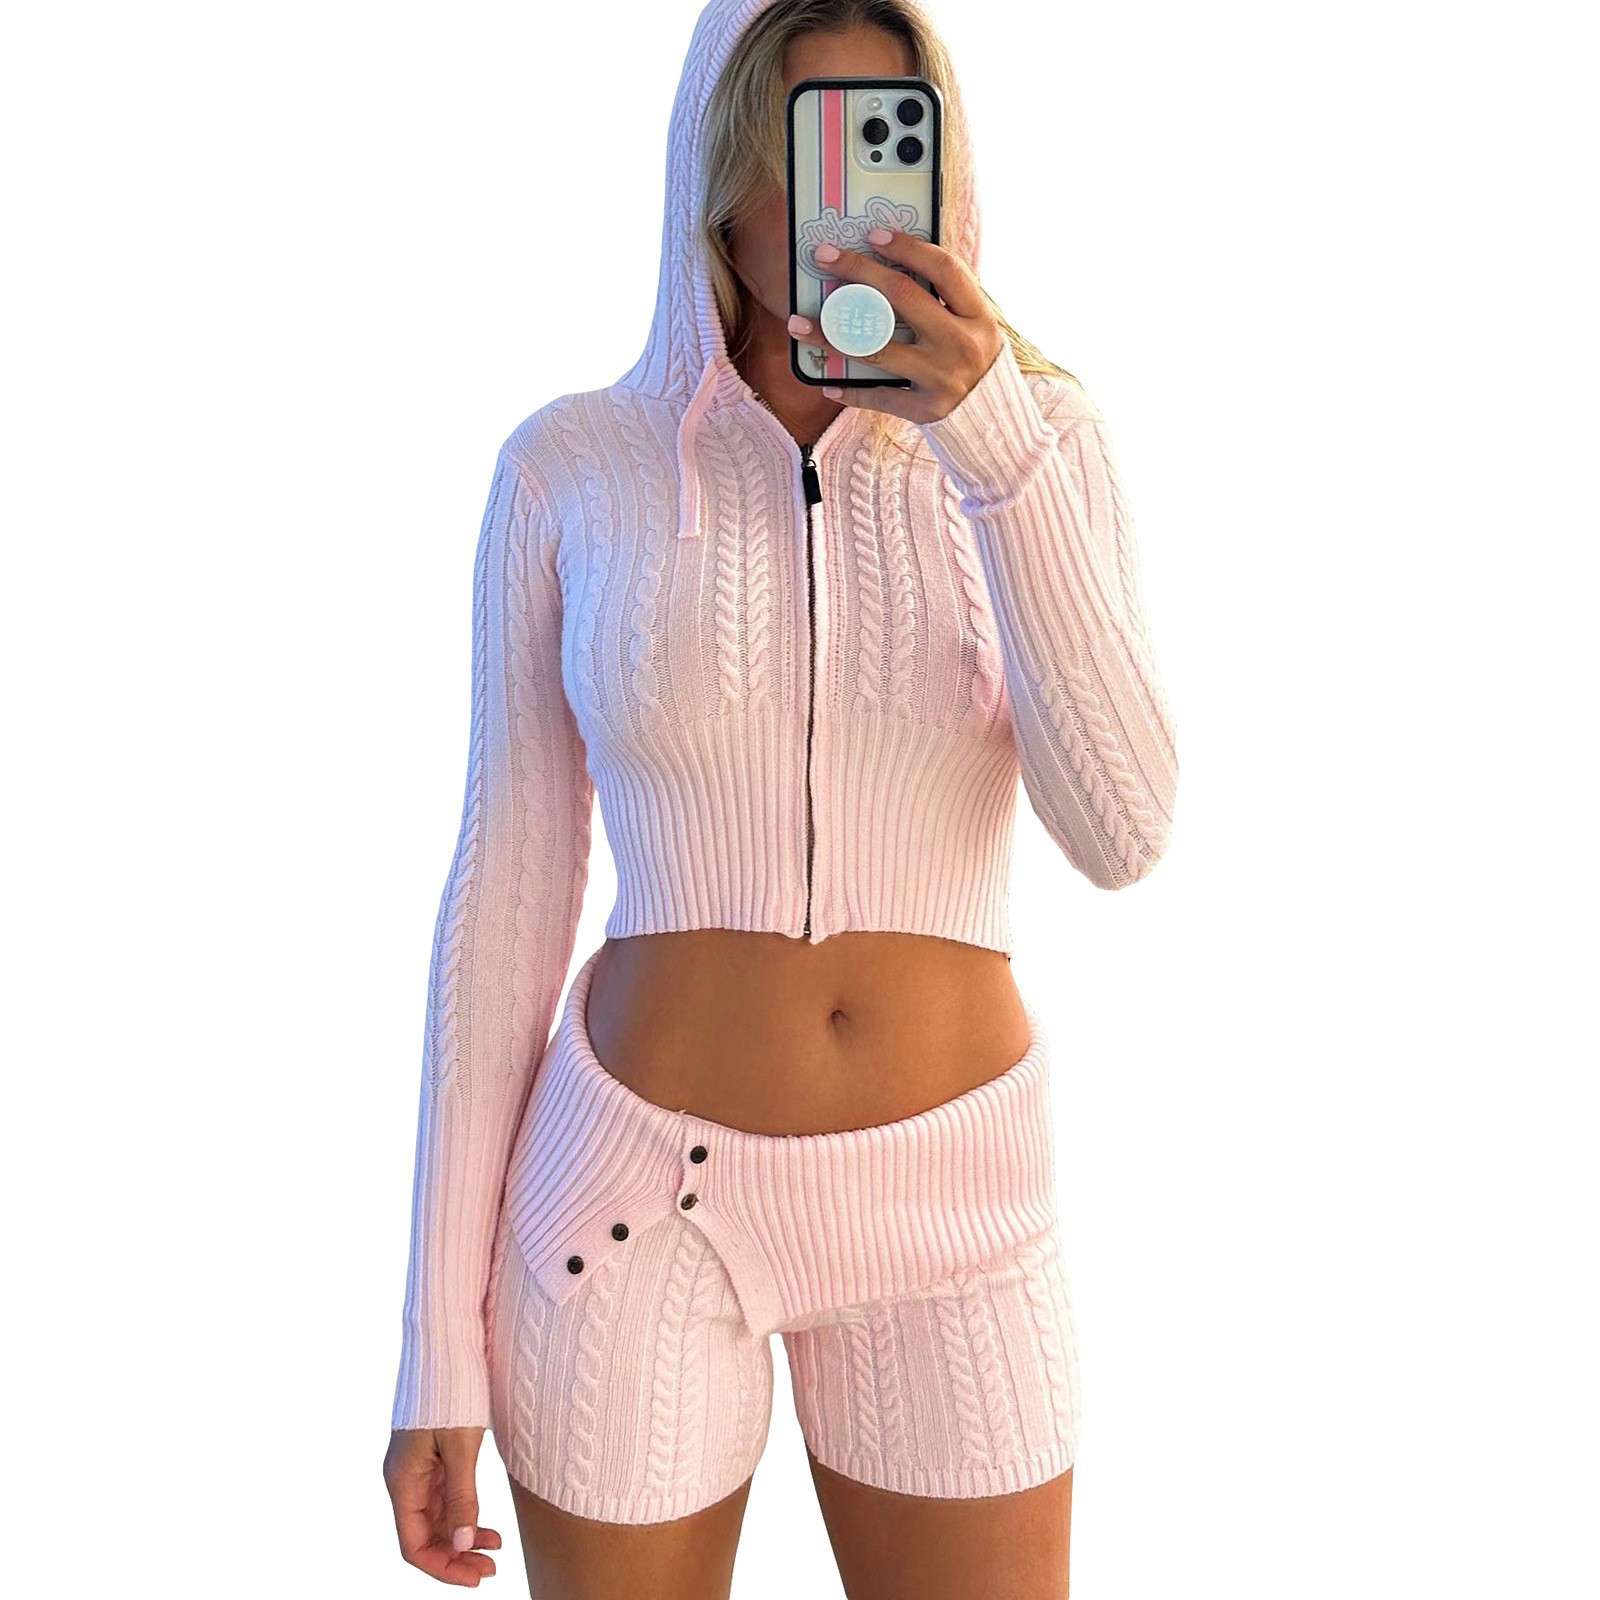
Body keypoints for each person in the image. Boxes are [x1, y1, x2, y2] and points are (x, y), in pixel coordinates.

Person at [381, 0, 1179, 1593]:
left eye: (882, 149)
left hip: (961, 1217)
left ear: (940, 171)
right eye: (797, 149)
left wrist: (989, 442)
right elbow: (505, 902)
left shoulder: (1041, 447)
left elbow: (1126, 830)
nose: (837, 212)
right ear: (715, 167)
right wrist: (433, 1352)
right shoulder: (571, 469)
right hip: (632, 1205)